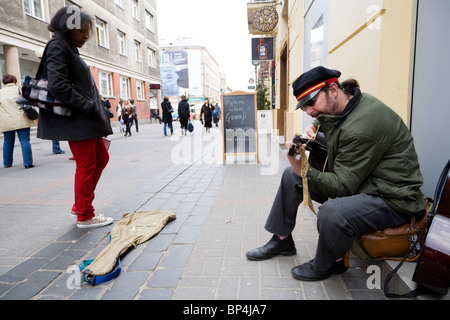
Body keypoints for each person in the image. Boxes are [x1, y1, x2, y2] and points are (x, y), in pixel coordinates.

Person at [246, 66, 426, 281]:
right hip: (366, 184)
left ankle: (331, 263)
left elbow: (343, 187)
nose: (310, 111)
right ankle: (282, 239)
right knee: (289, 176)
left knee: (332, 212)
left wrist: (302, 169)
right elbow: (337, 121)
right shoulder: (350, 103)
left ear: (333, 89)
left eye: (311, 103)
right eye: (304, 107)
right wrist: (315, 125)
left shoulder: (363, 127)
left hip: (393, 199)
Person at [37, 6, 114, 228]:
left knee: (101, 159)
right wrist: (88, 106)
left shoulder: (67, 46)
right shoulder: (57, 46)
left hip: (85, 119)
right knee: (87, 164)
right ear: (68, 27)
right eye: (83, 31)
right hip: (77, 119)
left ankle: (79, 205)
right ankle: (85, 215)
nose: (86, 36)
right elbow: (58, 85)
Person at [0, 74, 36, 169]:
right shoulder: (19, 89)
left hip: (7, 120)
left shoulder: (0, 92)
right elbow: (29, 100)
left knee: (8, 141)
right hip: (21, 119)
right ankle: (28, 163)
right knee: (25, 141)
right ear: (14, 81)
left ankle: (7, 164)